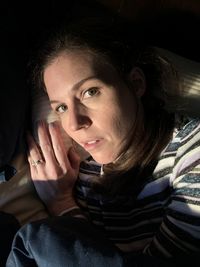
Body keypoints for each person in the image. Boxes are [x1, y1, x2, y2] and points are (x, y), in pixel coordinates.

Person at [7, 17, 200, 266]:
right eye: (62, 107)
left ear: (136, 83)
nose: (75, 123)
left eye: (90, 92)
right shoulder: (82, 173)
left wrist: (62, 204)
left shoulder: (192, 151)